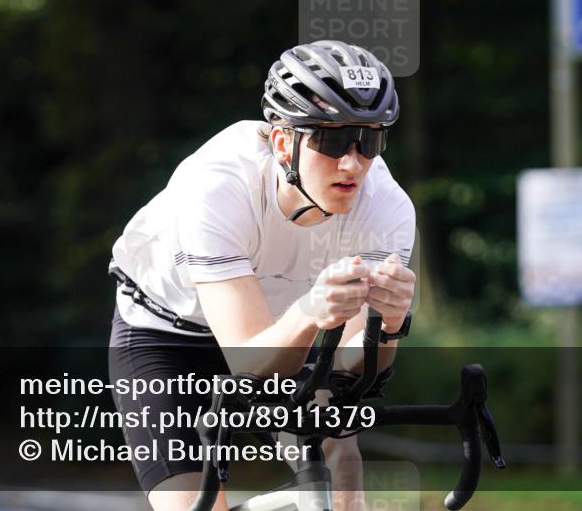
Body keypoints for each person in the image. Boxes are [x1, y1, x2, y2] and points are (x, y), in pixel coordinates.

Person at [108, 40, 417, 511]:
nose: (353, 162)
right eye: (331, 140)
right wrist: (312, 309)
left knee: (344, 479)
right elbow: (248, 365)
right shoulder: (217, 186)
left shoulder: (386, 208)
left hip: (281, 332)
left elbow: (351, 372)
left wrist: (390, 327)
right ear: (281, 143)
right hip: (165, 335)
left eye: (369, 140)